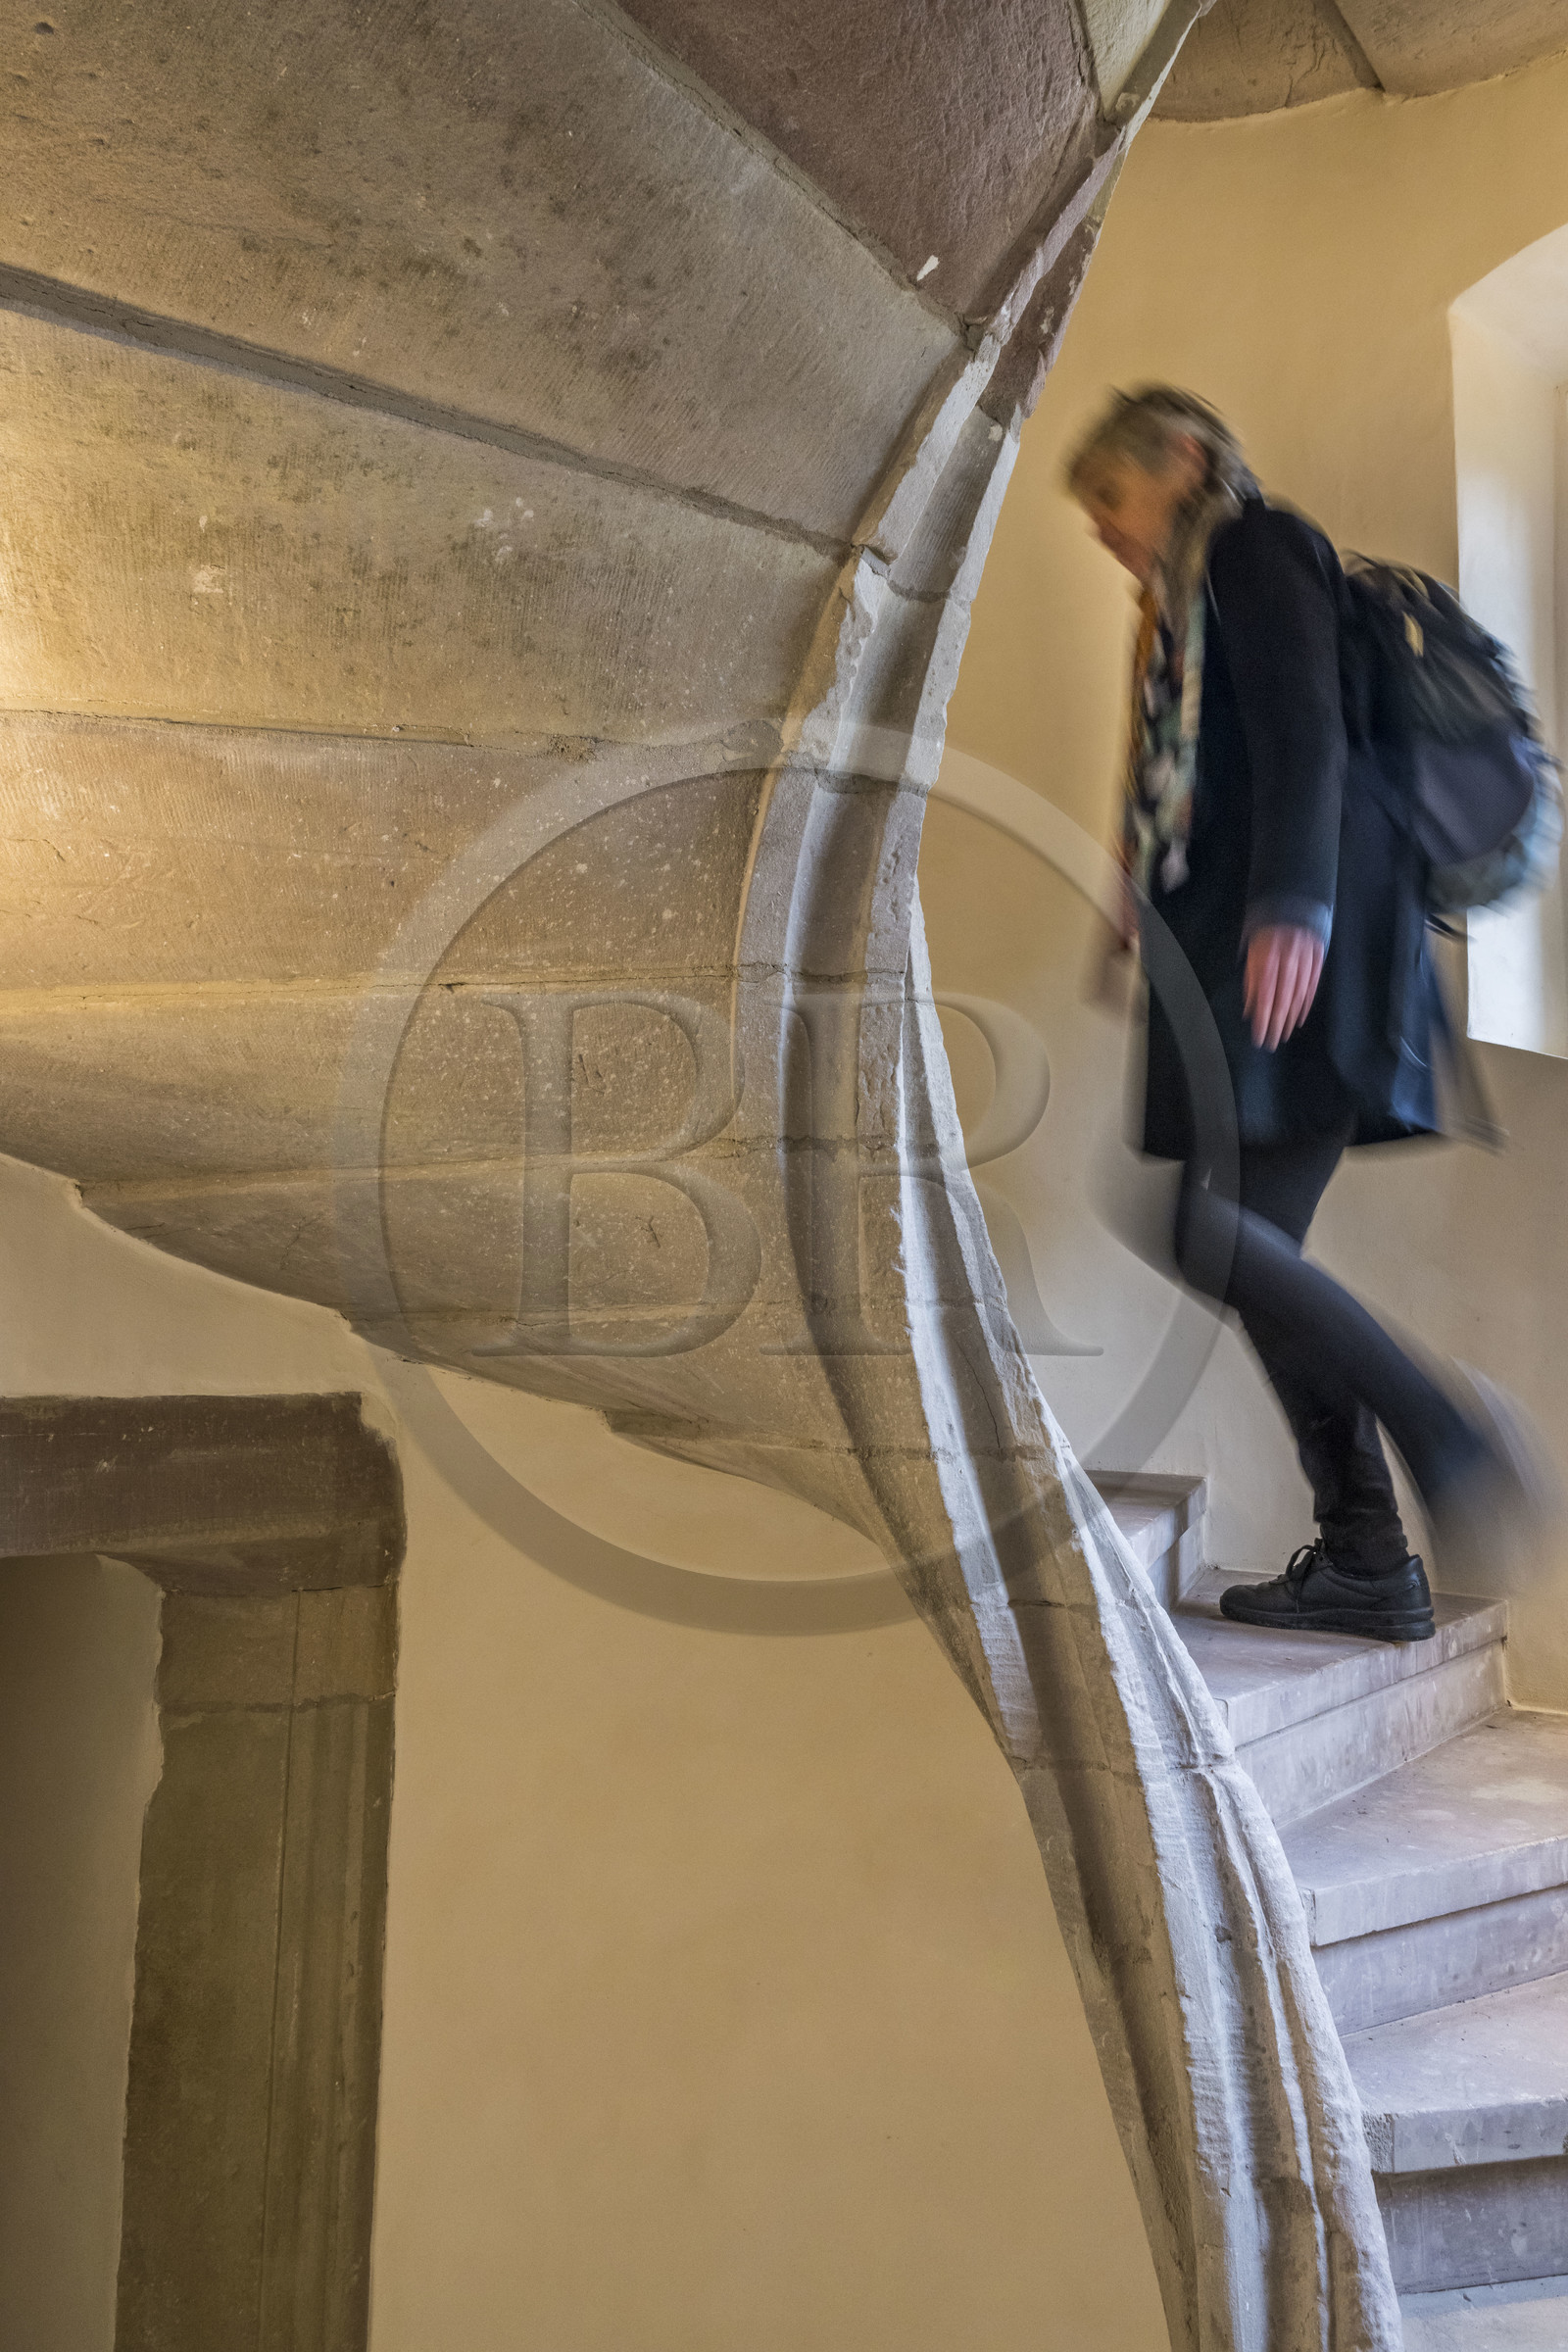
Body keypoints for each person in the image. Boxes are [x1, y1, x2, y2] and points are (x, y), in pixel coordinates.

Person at [1066, 383, 1521, 1643]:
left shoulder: (1259, 545)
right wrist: (1133, 874)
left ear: (1188, 460)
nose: (1105, 534)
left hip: (1299, 949)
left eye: (1113, 500)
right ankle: (1371, 1556)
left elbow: (1306, 735)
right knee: (1242, 1248)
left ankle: (1444, 1434)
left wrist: (1291, 910)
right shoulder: (1179, 613)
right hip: (1251, 950)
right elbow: (1206, 766)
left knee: (1207, 1230)